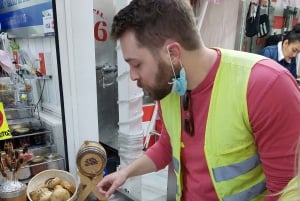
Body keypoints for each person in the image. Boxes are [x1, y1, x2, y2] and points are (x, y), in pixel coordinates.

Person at [96, 0, 300, 200]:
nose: (132, 76)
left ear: (173, 53)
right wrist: (125, 173)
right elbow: (166, 146)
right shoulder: (171, 83)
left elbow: (284, 192)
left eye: (137, 64)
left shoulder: (266, 86)